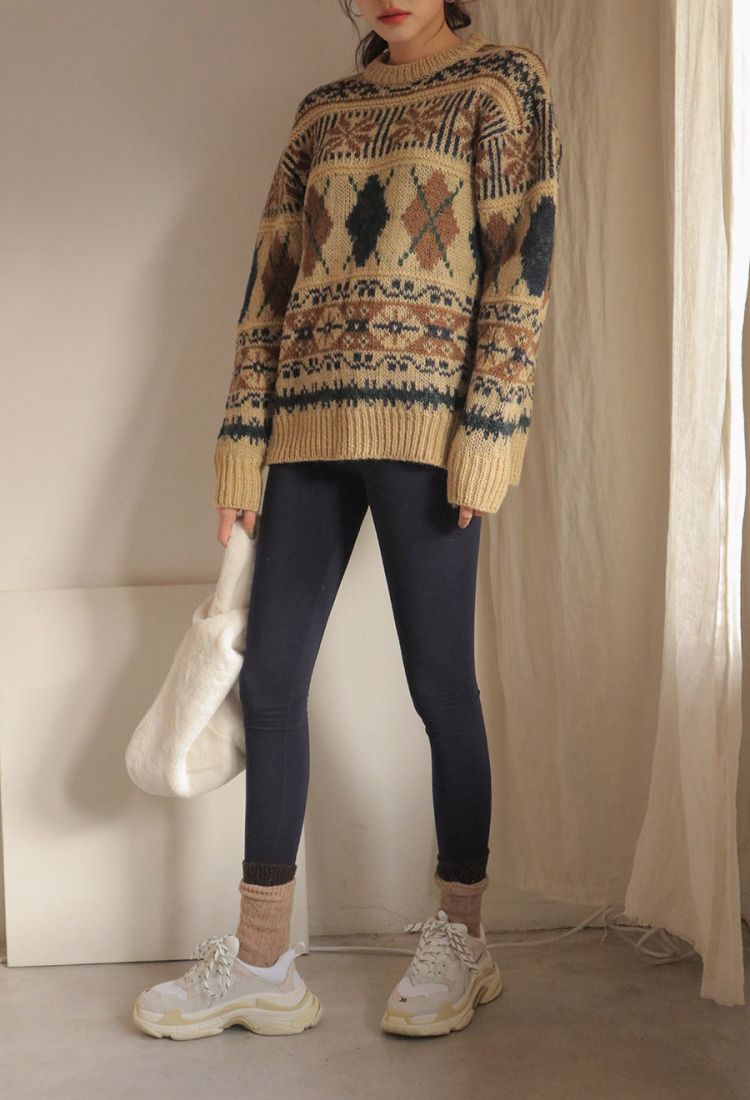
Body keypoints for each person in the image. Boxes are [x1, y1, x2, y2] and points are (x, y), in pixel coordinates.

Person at [133, 0, 561, 1041]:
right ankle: (263, 961)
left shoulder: (503, 87)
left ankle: (462, 936)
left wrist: (491, 429)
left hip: (430, 437)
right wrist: (242, 443)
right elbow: (267, 293)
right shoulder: (320, 113)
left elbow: (522, 266)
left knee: (440, 686)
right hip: (305, 432)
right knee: (271, 681)